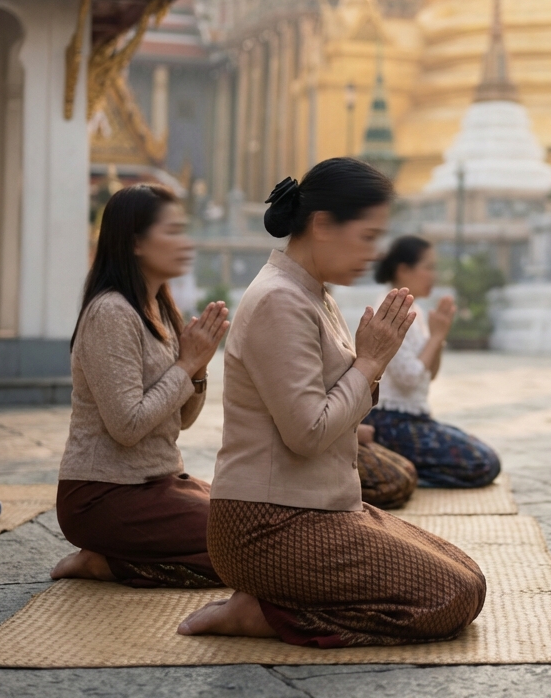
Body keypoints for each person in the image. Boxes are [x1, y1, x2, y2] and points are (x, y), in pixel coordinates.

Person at [179, 159, 485, 647]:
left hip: (317, 507)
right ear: (321, 224)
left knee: (465, 571)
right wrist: (370, 363)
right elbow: (309, 434)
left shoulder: (311, 293)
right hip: (268, 525)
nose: (373, 252)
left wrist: (371, 365)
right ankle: (266, 615)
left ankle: (273, 601)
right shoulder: (281, 300)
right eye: (366, 236)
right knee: (451, 595)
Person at [52, 185, 229, 588]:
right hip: (104, 495)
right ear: (135, 242)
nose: (185, 242)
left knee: (249, 518)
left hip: (159, 483)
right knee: (245, 549)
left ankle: (117, 555)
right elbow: (127, 427)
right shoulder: (111, 313)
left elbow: (181, 420)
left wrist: (197, 369)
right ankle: (108, 564)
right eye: (172, 231)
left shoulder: (161, 310)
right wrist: (185, 365)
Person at [363, 236, 501, 489]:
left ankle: (406, 469)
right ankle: (405, 471)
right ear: (403, 269)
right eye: (428, 267)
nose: (434, 275)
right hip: (389, 422)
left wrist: (440, 335)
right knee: (484, 463)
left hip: (412, 419)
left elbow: (430, 373)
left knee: (480, 452)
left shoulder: (415, 309)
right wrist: (436, 336)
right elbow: (409, 378)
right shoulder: (392, 308)